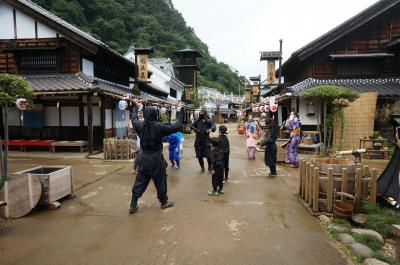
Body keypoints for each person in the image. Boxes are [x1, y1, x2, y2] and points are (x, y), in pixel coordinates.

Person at [129, 102, 183, 214]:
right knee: (160, 180)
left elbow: (133, 118)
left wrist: (135, 107)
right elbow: (177, 126)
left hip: (143, 157)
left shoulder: (139, 125)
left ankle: (133, 204)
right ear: (155, 114)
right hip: (156, 158)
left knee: (140, 180)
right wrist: (179, 111)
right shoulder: (160, 126)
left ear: (144, 114)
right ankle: (164, 202)